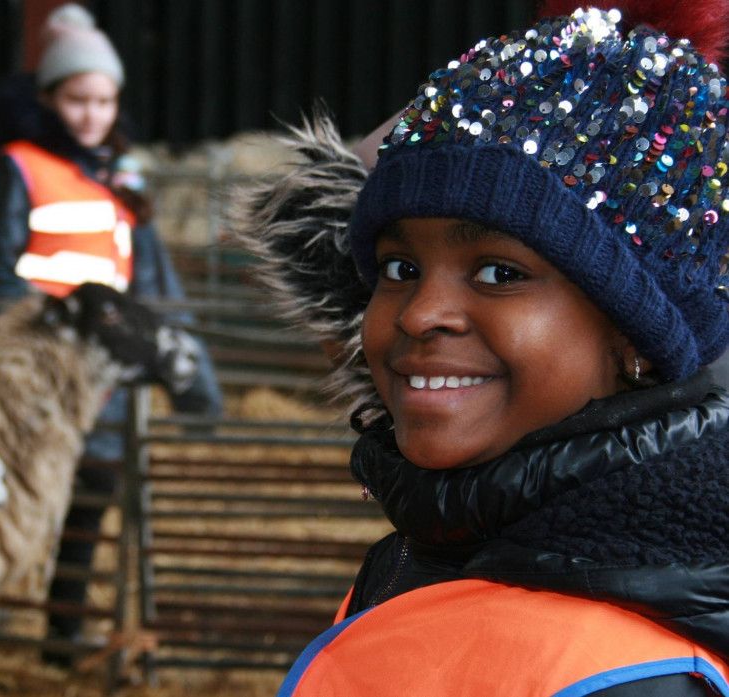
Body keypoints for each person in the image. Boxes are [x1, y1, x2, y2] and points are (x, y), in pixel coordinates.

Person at [247, 4, 729, 696]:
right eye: (398, 269)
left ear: (635, 341)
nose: (419, 313)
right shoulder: (429, 551)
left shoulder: (631, 674)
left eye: (500, 273)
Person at [0, 2, 223, 655]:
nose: (92, 114)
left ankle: (63, 626)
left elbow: (146, 273)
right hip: (30, 371)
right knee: (18, 492)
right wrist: (34, 339)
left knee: (90, 499)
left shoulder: (120, 178)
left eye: (105, 101)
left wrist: (182, 358)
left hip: (102, 375)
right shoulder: (17, 168)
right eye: (78, 99)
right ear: (49, 97)